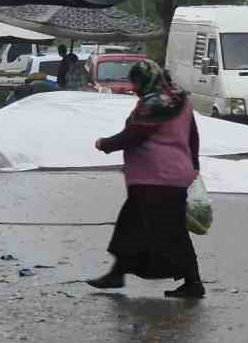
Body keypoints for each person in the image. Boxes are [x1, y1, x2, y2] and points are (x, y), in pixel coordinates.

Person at [86, 60, 205, 299]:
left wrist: (105, 144)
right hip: (170, 176)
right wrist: (193, 167)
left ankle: (193, 283)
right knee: (132, 226)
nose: (135, 88)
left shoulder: (155, 104)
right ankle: (117, 274)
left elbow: (134, 135)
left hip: (156, 178)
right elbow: (193, 137)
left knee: (169, 232)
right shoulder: (180, 100)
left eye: (137, 82)